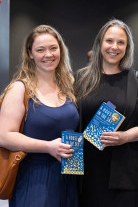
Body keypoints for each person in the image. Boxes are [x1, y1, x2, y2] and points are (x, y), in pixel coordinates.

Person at [75, 19, 138, 207]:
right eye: (109, 41)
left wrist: (126, 136)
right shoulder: (80, 78)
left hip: (128, 175)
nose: (114, 47)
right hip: (88, 172)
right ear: (99, 43)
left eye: (121, 42)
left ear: (127, 47)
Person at [0, 25, 79, 207]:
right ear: (30, 54)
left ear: (61, 49)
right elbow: (4, 136)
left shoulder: (68, 87)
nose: (48, 55)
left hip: (68, 177)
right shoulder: (20, 89)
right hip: (34, 178)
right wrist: (48, 147)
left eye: (53, 48)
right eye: (40, 50)